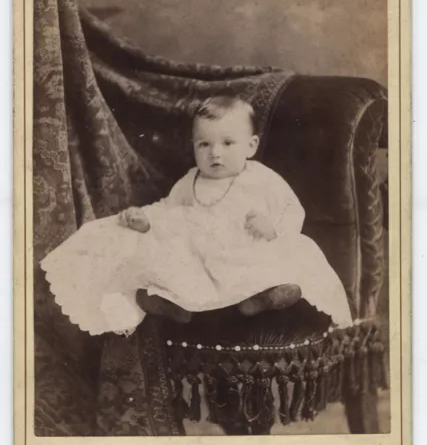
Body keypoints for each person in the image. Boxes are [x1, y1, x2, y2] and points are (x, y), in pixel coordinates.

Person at [41, 96, 352, 336]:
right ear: (194, 147)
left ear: (251, 146)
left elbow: (291, 211)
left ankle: (264, 298)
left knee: (292, 256)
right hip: (202, 259)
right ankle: (165, 302)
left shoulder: (261, 179)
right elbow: (169, 209)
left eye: (227, 143)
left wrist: (272, 230)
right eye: (204, 144)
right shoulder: (191, 180)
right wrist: (147, 221)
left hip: (246, 255)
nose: (215, 153)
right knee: (169, 259)